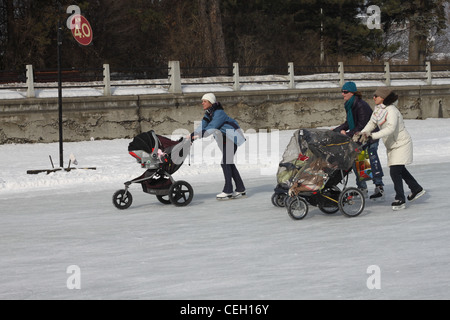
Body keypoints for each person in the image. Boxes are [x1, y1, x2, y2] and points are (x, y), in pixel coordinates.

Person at [356, 87, 426, 210]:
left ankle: (400, 199)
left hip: (402, 144)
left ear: (383, 98)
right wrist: (363, 133)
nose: (373, 98)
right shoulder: (378, 110)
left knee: (395, 171)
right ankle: (416, 188)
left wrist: (373, 135)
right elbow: (372, 123)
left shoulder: (392, 111)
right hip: (392, 145)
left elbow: (390, 128)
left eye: (376, 96)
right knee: (399, 169)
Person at [189, 93, 246, 200]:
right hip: (224, 140)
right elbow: (202, 126)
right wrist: (193, 135)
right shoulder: (208, 114)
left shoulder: (219, 113)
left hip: (232, 138)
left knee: (225, 163)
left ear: (211, 102)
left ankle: (228, 190)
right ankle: (240, 188)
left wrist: (198, 136)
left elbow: (211, 127)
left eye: (204, 101)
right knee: (228, 163)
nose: (202, 103)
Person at [333, 81, 385, 200]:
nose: (343, 94)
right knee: (360, 162)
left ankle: (379, 187)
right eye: (342, 91)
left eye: (345, 92)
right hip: (359, 138)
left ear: (352, 93)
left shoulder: (361, 105)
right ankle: (362, 188)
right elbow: (348, 123)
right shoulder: (349, 104)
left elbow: (362, 125)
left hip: (370, 137)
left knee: (372, 161)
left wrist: (347, 133)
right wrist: (336, 130)